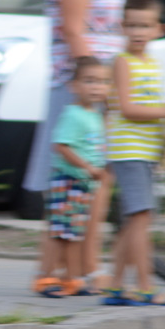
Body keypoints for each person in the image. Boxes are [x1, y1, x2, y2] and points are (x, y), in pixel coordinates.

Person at [25, 0, 124, 289]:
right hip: (78, 92)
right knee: (80, 182)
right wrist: (95, 88)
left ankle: (69, 270)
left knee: (83, 184)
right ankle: (77, 270)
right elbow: (73, 31)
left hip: (88, 90)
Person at [104, 0, 165, 306]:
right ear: (121, 27)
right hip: (129, 150)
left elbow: (149, 104)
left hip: (145, 150)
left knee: (135, 220)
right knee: (141, 218)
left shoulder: (152, 64)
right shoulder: (123, 63)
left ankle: (114, 286)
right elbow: (127, 109)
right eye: (132, 25)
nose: (138, 32)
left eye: (145, 26)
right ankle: (145, 287)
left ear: (159, 29)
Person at [32, 56, 112, 298]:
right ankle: (45, 278)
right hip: (67, 181)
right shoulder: (73, 114)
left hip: (82, 183)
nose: (96, 87)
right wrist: (88, 167)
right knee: (61, 233)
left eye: (102, 82)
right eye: (89, 81)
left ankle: (71, 280)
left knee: (74, 233)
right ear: (74, 86)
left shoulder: (95, 115)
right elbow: (61, 146)